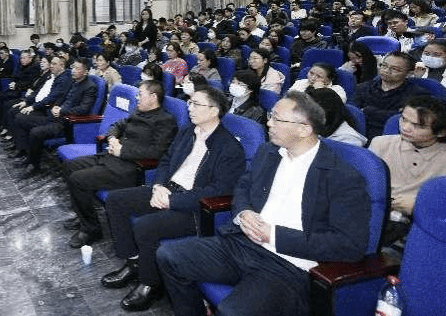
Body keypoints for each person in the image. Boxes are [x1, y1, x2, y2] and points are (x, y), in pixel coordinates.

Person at [156, 91, 371, 316]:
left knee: (232, 311)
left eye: (277, 119)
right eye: (271, 116)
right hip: (243, 243)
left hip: (287, 264)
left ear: (304, 129)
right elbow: (243, 187)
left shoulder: (341, 176)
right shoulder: (269, 151)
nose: (269, 123)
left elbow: (349, 245)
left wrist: (273, 235)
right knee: (168, 255)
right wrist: (244, 212)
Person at [100, 87, 246, 311]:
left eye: (196, 104)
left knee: (146, 227)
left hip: (194, 207)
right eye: (190, 103)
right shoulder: (188, 131)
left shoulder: (229, 147)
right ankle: (134, 261)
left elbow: (218, 190)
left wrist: (173, 201)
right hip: (168, 189)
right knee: (116, 201)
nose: (190, 108)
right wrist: (158, 186)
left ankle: (150, 284)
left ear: (214, 110)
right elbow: (167, 160)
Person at [62, 80, 178, 248]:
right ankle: (83, 216)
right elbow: (116, 125)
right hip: (110, 157)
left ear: (153, 97)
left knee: (77, 179)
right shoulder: (138, 111)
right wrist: (112, 138)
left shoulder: (165, 120)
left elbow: (157, 151)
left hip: (128, 168)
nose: (137, 98)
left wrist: (122, 151)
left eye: (140, 94)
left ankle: (91, 229)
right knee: (69, 166)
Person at [369, 96, 446, 246]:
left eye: (418, 125)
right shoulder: (380, 144)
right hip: (376, 214)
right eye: (404, 119)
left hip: (420, 227)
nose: (405, 127)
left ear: (441, 132)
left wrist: (419, 207)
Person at [13, 58, 97, 177]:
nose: (73, 70)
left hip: (66, 123)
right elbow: (62, 97)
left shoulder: (90, 87)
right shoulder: (72, 81)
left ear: (86, 72)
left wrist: (62, 111)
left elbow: (83, 109)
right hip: (54, 116)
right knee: (21, 119)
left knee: (36, 132)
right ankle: (29, 155)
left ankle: (34, 165)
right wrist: (56, 106)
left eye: (77, 68)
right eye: (73, 67)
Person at [351, 51, 423, 139]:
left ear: (409, 73)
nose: (386, 71)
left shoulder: (417, 95)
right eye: (384, 66)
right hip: (356, 133)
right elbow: (353, 112)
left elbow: (402, 119)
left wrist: (368, 110)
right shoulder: (363, 87)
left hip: (392, 137)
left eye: (394, 69)